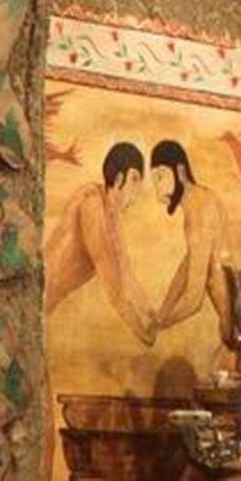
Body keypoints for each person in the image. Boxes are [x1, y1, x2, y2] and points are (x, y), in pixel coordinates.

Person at [44, 141, 157, 345]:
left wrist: (153, 315)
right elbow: (114, 287)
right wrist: (143, 333)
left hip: (42, 306)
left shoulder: (111, 216)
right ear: (119, 178)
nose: (137, 191)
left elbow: (126, 274)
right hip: (33, 297)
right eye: (135, 180)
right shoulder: (92, 204)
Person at [147, 139, 230, 341]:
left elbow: (193, 300)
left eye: (161, 175)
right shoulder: (198, 202)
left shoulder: (200, 208)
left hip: (235, 322)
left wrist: (161, 324)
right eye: (154, 178)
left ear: (180, 171)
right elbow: (187, 268)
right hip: (231, 322)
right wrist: (162, 312)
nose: (158, 185)